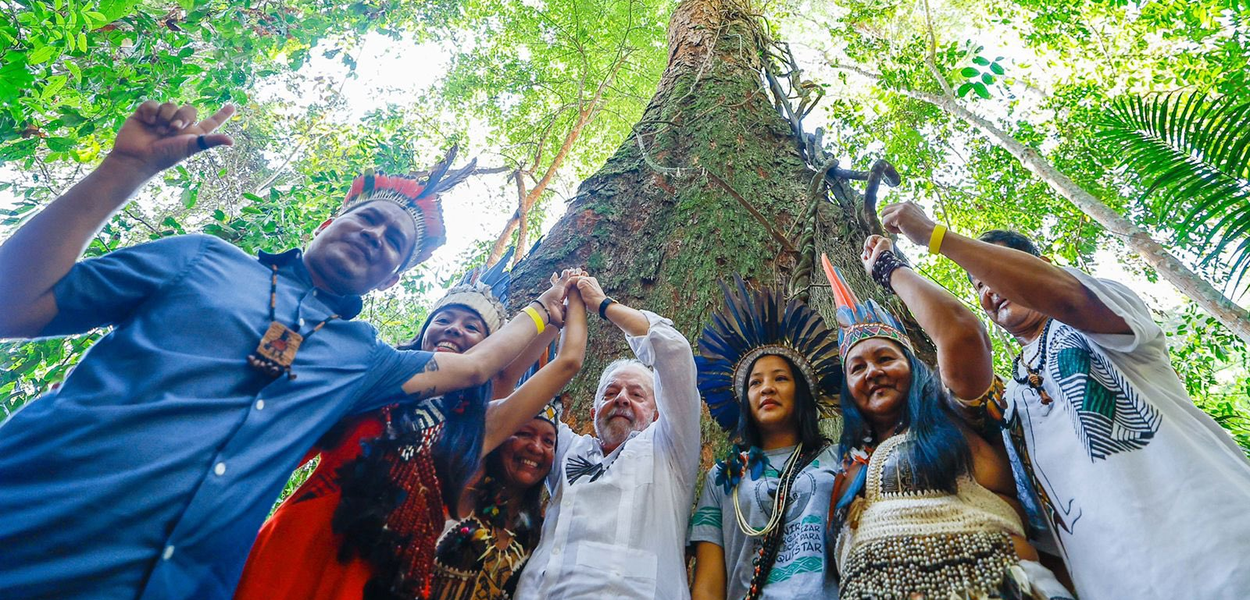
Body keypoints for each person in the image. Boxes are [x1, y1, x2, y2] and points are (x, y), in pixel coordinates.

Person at [0, 101, 568, 600]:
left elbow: (477, 367)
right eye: (368, 219)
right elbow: (13, 303)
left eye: (394, 241)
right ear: (329, 221)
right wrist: (125, 170)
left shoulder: (362, 360)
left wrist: (549, 306)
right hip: (31, 523)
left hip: (181, 583)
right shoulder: (203, 261)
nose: (376, 236)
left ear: (394, 278)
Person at [876, 201, 1250, 599]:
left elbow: (1066, 297)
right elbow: (960, 332)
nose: (987, 289)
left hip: (1223, 548)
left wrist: (938, 237)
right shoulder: (1011, 399)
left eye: (992, 271)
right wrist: (890, 269)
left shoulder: (1105, 323)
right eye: (978, 285)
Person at [235, 262, 581, 599]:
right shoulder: (373, 381)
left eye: (472, 327)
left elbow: (561, 364)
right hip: (299, 546)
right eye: (443, 319)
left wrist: (561, 309)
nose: (454, 329)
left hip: (385, 580)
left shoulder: (479, 427)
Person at [824, 247, 1071, 600]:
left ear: (914, 367)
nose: (873, 372)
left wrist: (890, 269)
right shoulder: (842, 465)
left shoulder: (953, 413)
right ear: (847, 388)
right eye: (857, 368)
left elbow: (962, 335)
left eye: (885, 358)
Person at [514, 276, 701, 600]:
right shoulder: (566, 449)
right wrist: (556, 307)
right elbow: (518, 404)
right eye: (611, 392)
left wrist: (600, 303)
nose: (622, 399)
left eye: (637, 394)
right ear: (593, 411)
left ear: (658, 413)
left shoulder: (670, 450)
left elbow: (673, 350)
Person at [688, 279, 843, 600]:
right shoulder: (722, 477)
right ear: (744, 399)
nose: (767, 388)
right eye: (755, 382)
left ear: (802, 393)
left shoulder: (840, 458)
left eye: (780, 378)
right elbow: (708, 581)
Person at [429, 397, 567, 600]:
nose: (536, 447)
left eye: (548, 441)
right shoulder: (460, 495)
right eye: (525, 433)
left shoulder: (540, 535)